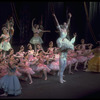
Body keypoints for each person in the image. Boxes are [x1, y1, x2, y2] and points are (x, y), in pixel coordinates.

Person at [52, 12, 77, 83]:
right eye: (63, 24)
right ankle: (60, 79)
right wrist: (54, 16)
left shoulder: (66, 29)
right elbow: (57, 23)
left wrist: (70, 17)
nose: (65, 24)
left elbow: (68, 23)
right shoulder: (60, 29)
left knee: (63, 67)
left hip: (65, 49)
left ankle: (61, 77)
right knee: (61, 67)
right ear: (62, 25)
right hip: (61, 40)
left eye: (65, 24)